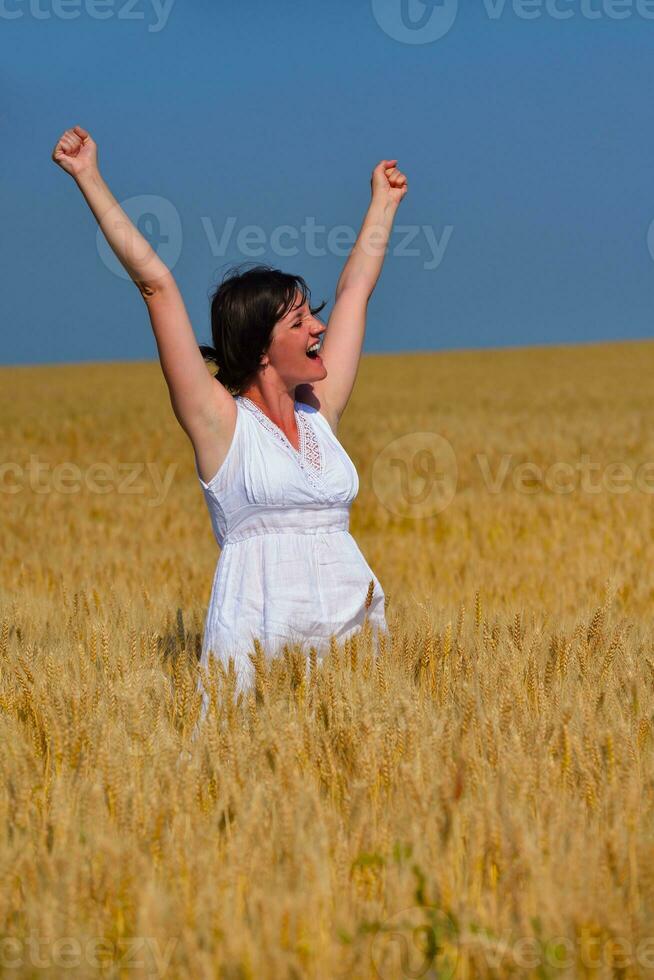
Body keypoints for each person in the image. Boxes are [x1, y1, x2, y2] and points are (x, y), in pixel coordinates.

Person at [51, 125, 409, 716]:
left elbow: (354, 294)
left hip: (352, 645)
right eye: (299, 323)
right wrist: (88, 174)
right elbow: (156, 286)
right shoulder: (220, 425)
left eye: (311, 317)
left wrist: (383, 204)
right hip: (257, 644)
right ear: (262, 347)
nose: (318, 329)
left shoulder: (321, 411)